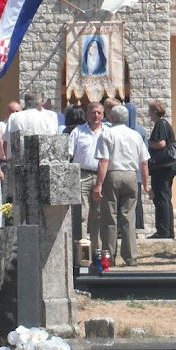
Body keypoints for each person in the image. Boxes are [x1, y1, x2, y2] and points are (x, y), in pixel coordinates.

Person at [92, 104, 150, 266]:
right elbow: (144, 162)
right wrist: (146, 184)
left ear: (110, 117)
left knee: (109, 218)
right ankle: (131, 257)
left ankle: (109, 257)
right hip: (131, 176)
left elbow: (104, 161)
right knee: (128, 218)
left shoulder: (106, 134)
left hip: (112, 175)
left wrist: (98, 185)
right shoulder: (135, 135)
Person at [68, 101, 104, 250]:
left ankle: (98, 251)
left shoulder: (108, 132)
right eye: (93, 112)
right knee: (82, 214)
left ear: (103, 115)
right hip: (82, 175)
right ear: (87, 114)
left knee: (99, 215)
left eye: (99, 113)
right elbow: (69, 154)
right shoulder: (77, 132)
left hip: (102, 177)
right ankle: (82, 251)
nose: (96, 115)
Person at [146, 100, 176, 240]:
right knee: (165, 198)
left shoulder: (161, 124)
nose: (148, 114)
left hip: (162, 168)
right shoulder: (164, 124)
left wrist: (147, 142)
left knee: (161, 198)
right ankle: (167, 230)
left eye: (150, 111)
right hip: (166, 168)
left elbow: (161, 143)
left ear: (154, 111)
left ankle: (163, 231)